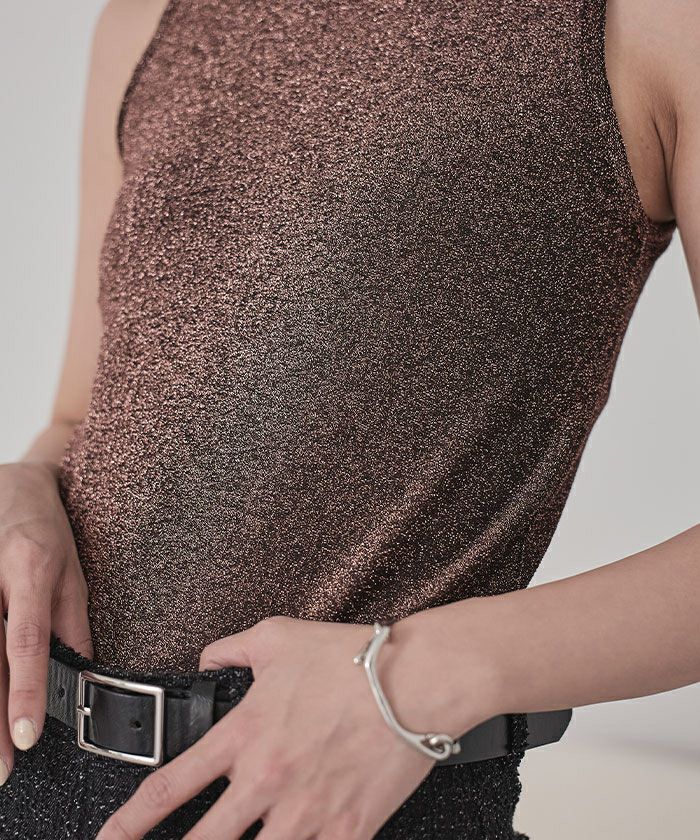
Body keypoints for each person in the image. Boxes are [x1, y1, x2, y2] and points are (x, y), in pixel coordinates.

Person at [0, 0, 698, 838]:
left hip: (352, 810)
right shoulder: (148, 18)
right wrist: (23, 489)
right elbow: (78, 416)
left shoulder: (649, 22)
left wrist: (417, 675)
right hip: (31, 782)